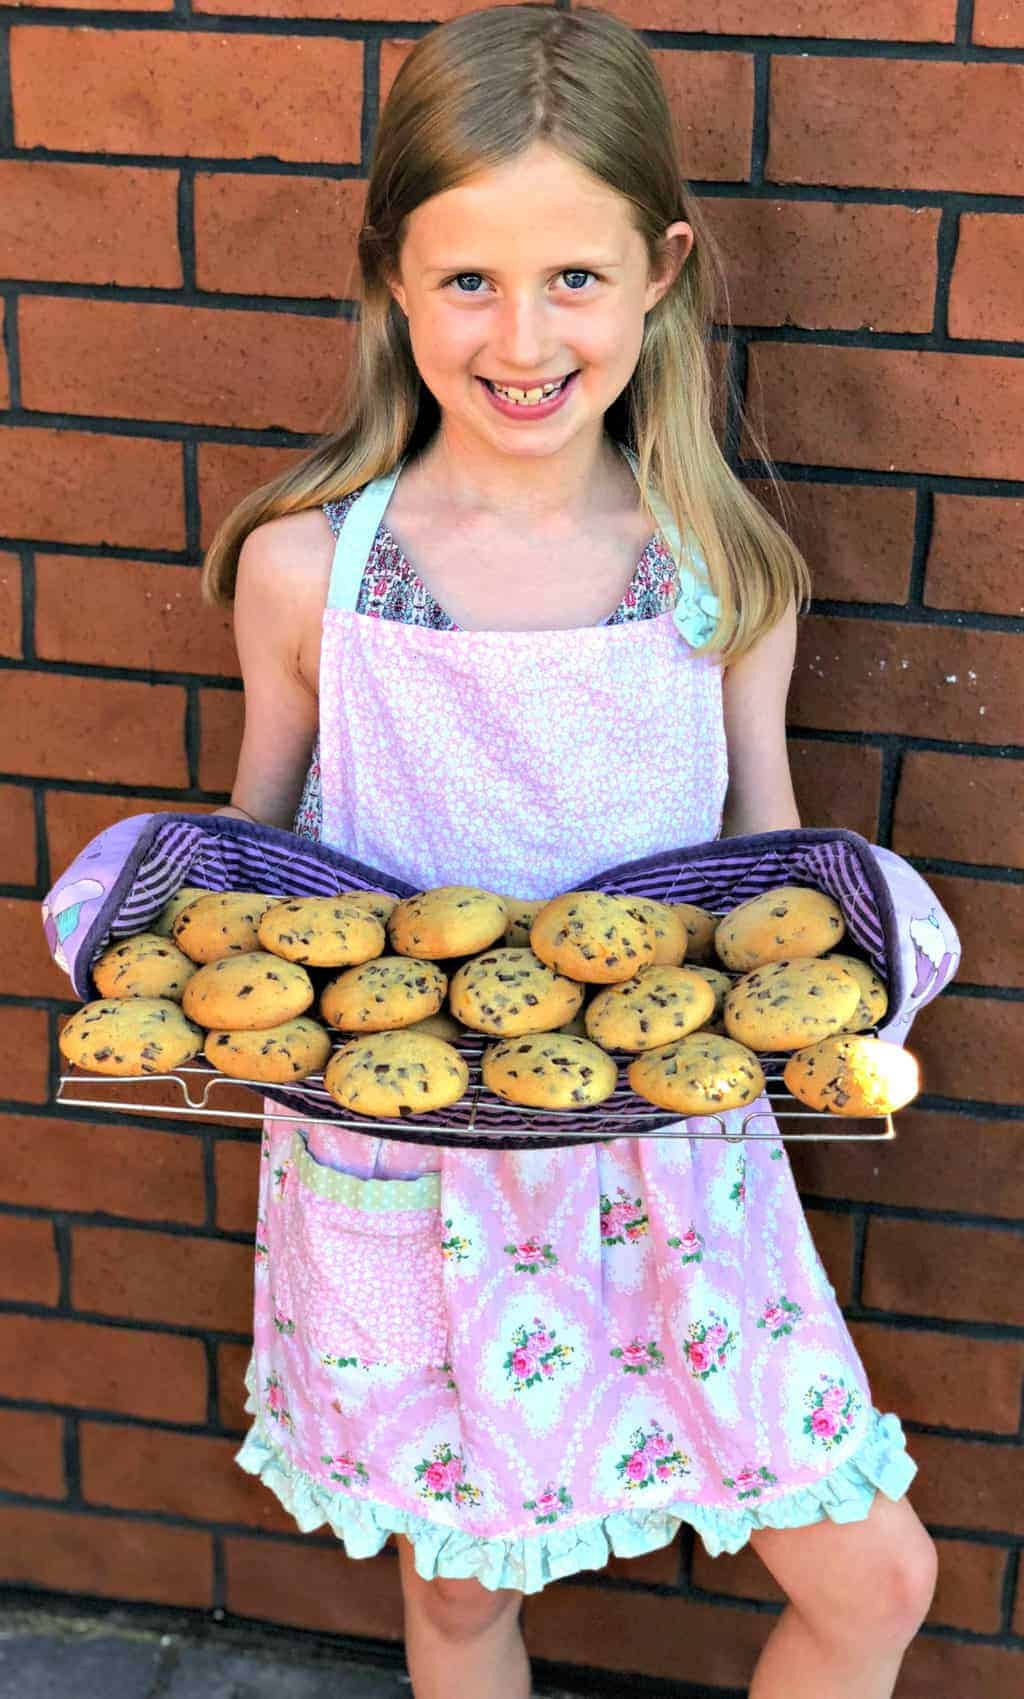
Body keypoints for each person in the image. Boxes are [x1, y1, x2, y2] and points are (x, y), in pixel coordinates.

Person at [201, 8, 937, 1696]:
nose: (523, 336)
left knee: (873, 1581)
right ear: (390, 273)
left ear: (663, 271)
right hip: (409, 1186)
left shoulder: (722, 573)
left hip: (681, 1174)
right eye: (469, 280)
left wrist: (857, 993)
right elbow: (251, 879)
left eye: (576, 280)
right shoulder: (313, 577)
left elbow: (771, 872)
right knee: (460, 1599)